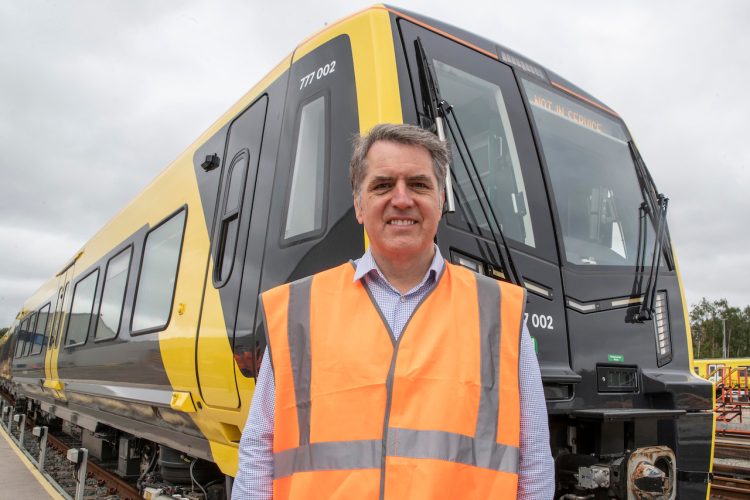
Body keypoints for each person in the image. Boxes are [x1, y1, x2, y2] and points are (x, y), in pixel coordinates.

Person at [233, 123, 554, 499]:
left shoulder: (500, 313)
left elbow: (532, 461)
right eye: (383, 185)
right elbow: (259, 450)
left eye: (418, 184)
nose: (401, 199)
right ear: (358, 204)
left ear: (440, 200)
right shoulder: (299, 311)